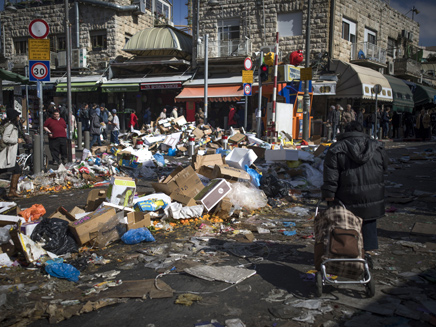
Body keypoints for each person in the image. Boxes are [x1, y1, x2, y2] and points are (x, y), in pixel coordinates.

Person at [322, 121, 388, 264]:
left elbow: (331, 176)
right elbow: (385, 167)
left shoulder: (336, 148)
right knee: (368, 221)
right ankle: (367, 254)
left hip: (346, 195)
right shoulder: (376, 146)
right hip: (372, 195)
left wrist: (329, 194)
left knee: (345, 223)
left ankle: (346, 250)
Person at [0, 108, 25, 198]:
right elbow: (5, 138)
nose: (19, 117)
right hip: (6, 153)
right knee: (16, 169)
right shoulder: (10, 126)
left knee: (16, 169)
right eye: (18, 116)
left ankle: (12, 191)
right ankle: (12, 191)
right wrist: (16, 140)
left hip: (9, 153)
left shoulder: (12, 125)